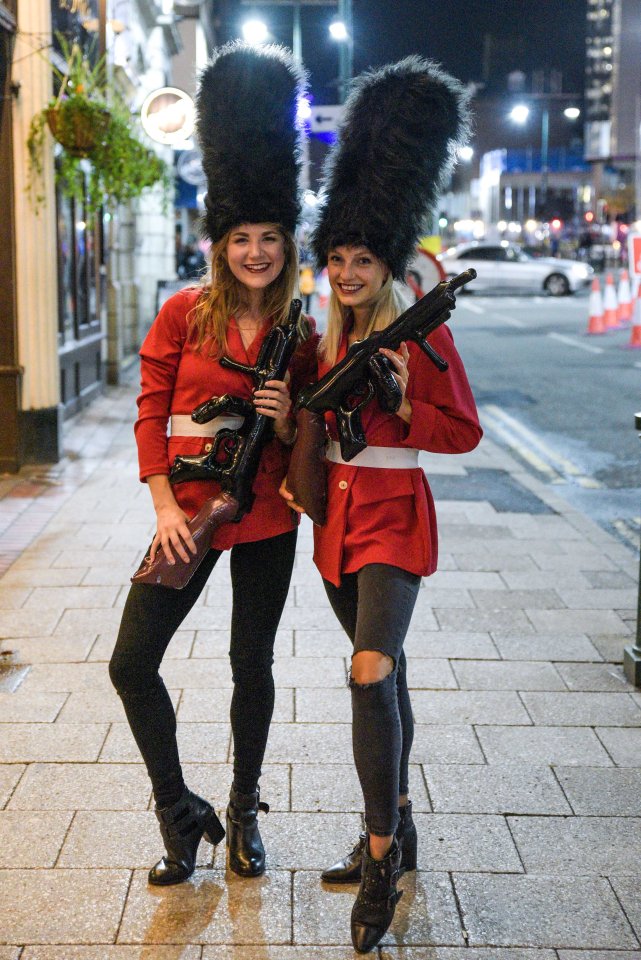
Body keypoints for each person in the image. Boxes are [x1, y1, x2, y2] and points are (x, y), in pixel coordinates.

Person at [281, 57, 482, 953]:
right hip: (336, 531)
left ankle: (374, 858)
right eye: (336, 259)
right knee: (385, 678)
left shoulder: (422, 333)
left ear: (386, 263)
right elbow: (309, 435)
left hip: (397, 520)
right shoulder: (320, 342)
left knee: (367, 673)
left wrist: (405, 401)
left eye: (362, 258)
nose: (347, 270)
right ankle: (398, 822)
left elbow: (462, 432)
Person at [109, 42, 313, 887]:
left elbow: (320, 440)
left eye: (270, 238)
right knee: (130, 663)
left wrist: (291, 413)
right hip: (186, 512)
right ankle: (179, 812)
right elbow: (150, 407)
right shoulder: (181, 313)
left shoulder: (303, 330)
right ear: (219, 241)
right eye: (241, 237)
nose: (256, 252)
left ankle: (243, 808)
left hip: (264, 515)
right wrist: (162, 504)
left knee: (250, 665)